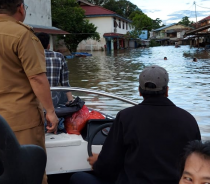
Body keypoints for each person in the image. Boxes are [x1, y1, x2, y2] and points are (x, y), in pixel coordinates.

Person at [0, 0, 58, 184]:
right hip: (22, 120)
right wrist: (50, 111)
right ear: (21, 8)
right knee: (30, 172)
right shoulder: (24, 35)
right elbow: (37, 78)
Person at [70, 65, 201, 184]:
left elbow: (108, 167)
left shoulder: (125, 117)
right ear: (166, 91)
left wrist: (98, 163)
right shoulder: (188, 120)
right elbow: (197, 164)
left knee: (77, 178)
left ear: (139, 91)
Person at [36, 32, 74, 108]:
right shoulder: (59, 56)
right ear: (49, 46)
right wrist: (71, 101)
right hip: (53, 102)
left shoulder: (28, 57)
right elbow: (65, 83)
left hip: (34, 103)